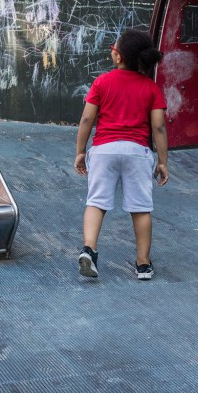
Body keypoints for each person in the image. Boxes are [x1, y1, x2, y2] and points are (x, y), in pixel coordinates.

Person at [74, 29, 169, 280]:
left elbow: (87, 119)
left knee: (96, 202)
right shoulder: (151, 88)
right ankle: (143, 264)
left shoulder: (102, 82)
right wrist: (162, 161)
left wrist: (81, 151)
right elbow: (158, 126)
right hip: (137, 152)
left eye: (113, 49)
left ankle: (89, 250)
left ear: (118, 57)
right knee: (140, 208)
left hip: (104, 150)